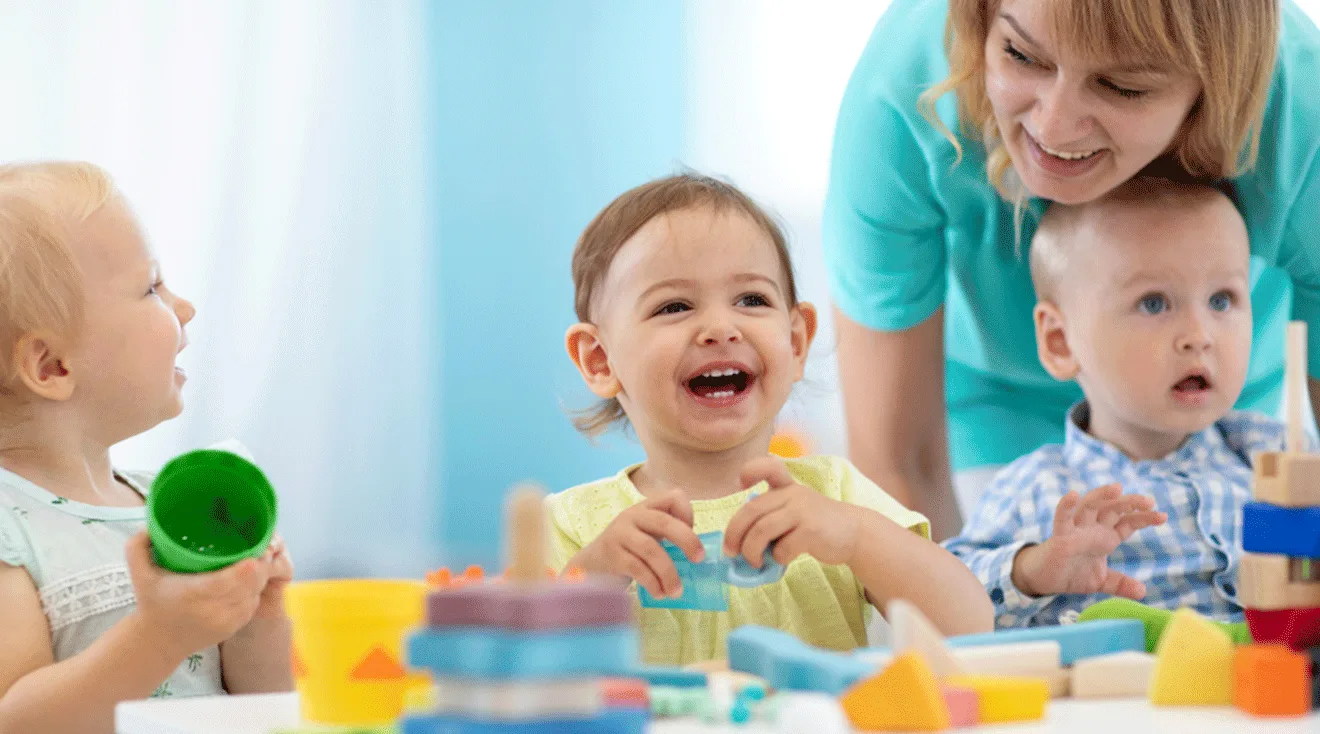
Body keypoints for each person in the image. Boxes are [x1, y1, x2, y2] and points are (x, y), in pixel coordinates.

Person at [825, 0, 1320, 540]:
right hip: (994, 404)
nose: (1053, 128)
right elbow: (898, 461)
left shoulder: (1302, 120)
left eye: (1123, 86)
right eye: (1021, 55)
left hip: (1218, 407)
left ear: (1209, 87)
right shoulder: (904, 92)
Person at [546, 173, 992, 666]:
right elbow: (519, 671)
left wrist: (857, 538)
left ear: (797, 342)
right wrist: (596, 575)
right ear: (599, 360)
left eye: (751, 300)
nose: (720, 328)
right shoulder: (572, 525)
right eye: (674, 306)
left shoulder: (834, 497)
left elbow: (970, 626)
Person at [0, 162, 293, 734]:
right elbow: (18, 722)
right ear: (52, 365)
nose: (183, 307)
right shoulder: (13, 531)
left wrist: (260, 614)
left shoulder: (160, 502)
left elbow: (267, 700)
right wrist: (159, 637)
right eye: (151, 287)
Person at [944, 178, 1284, 627]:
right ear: (1061, 341)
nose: (1199, 336)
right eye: (1153, 304)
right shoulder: (1040, 488)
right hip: (1119, 692)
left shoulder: (1268, 454)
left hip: (1264, 687)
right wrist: (1032, 569)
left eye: (1222, 300)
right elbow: (946, 593)